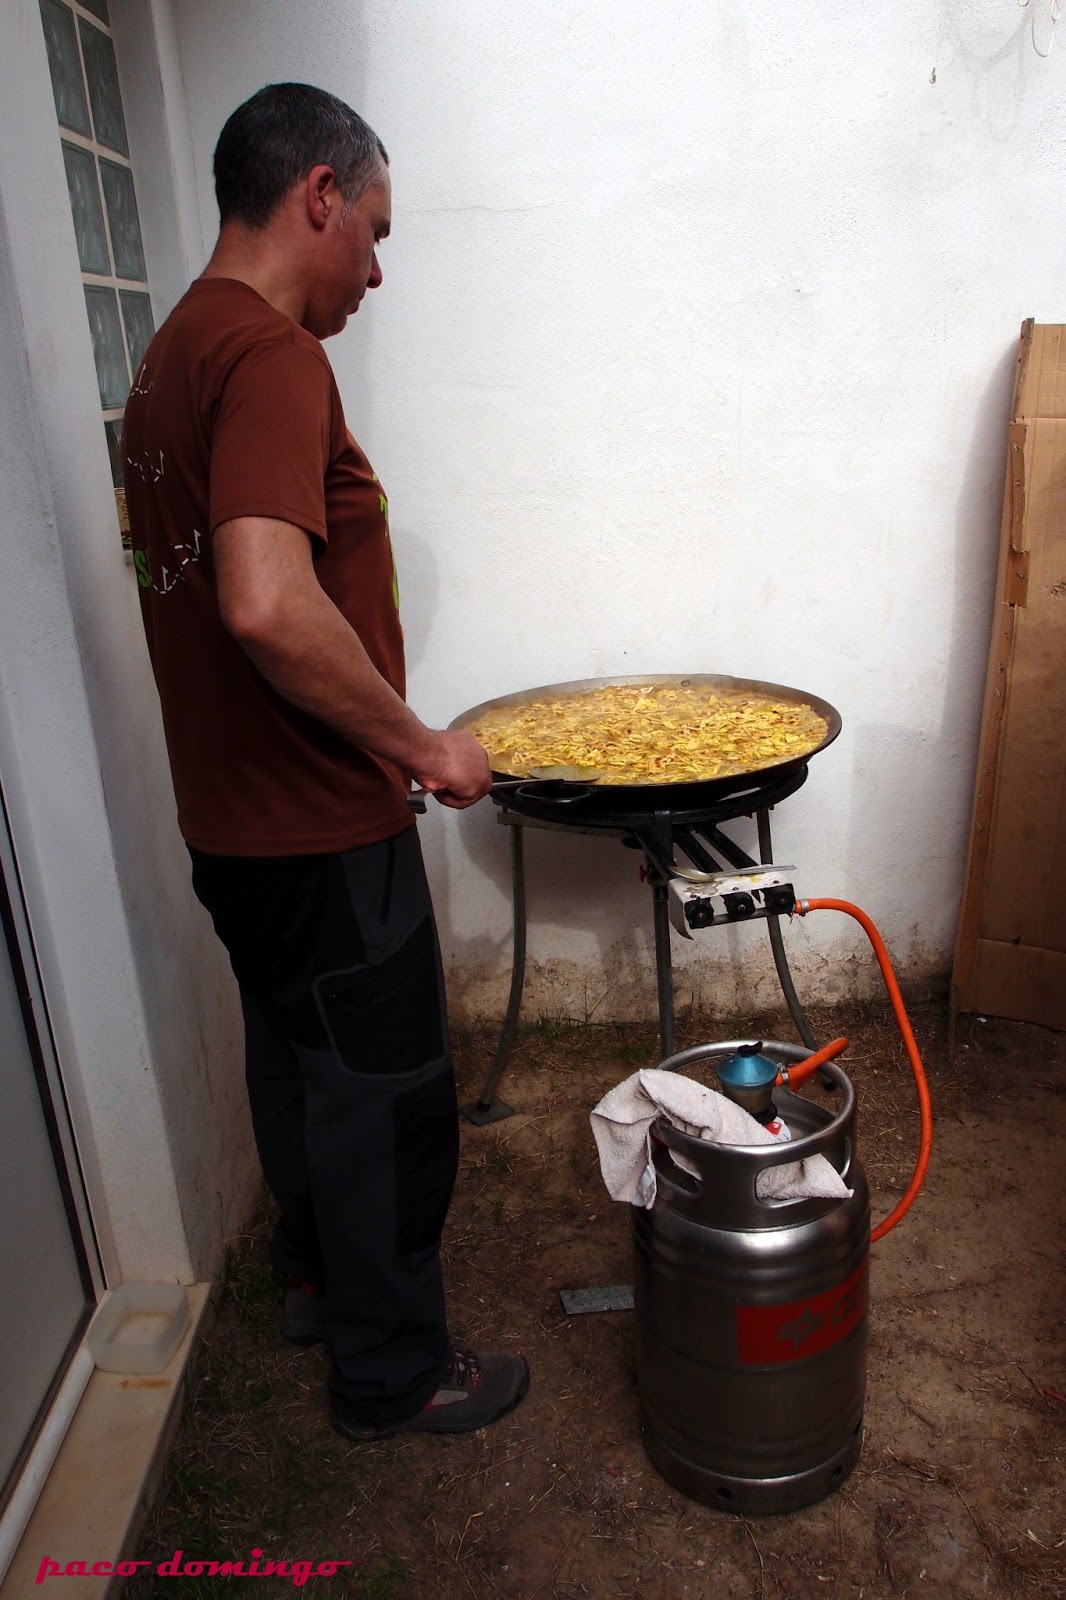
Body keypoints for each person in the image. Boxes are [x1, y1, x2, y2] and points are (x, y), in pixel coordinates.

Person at [123, 82, 529, 1441]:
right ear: (317, 195)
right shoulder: (275, 354)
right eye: (374, 228)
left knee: (297, 1070)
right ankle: (393, 1367)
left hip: (226, 825)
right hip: (314, 828)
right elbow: (260, 598)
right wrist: (418, 744)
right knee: (388, 1102)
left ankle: (316, 1285)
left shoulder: (171, 351)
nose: (376, 262)